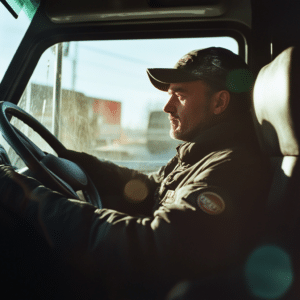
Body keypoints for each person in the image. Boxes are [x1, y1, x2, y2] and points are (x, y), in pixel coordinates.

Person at [0, 47, 270, 299]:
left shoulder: (231, 166)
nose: (167, 107)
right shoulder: (197, 155)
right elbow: (148, 188)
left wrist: (23, 195)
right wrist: (71, 159)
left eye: (181, 95)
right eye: (169, 95)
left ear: (220, 102)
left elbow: (153, 247)